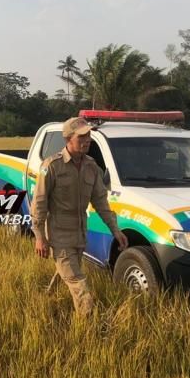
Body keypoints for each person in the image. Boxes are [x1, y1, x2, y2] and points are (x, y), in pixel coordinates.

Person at [31, 117, 128, 317]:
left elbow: (101, 202)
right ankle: (88, 328)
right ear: (68, 138)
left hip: (80, 233)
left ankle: (48, 300)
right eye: (82, 136)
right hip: (59, 233)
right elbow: (39, 203)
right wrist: (39, 236)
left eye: (88, 135)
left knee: (67, 271)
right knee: (79, 283)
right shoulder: (52, 166)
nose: (87, 140)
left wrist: (116, 231)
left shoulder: (91, 167)